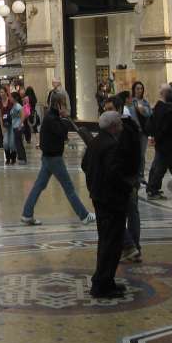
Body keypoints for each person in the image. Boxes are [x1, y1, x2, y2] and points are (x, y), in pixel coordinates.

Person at [20, 95, 93, 226]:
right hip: (54, 159)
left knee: (39, 186)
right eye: (63, 104)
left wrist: (63, 118)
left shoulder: (52, 117)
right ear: (58, 104)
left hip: (49, 158)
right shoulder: (52, 118)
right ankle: (84, 215)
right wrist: (65, 118)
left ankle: (27, 213)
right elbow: (62, 132)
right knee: (69, 188)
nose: (65, 107)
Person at [84, 111, 131, 298]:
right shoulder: (112, 145)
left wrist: (93, 183)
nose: (121, 127)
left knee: (105, 240)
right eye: (119, 124)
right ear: (113, 126)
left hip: (98, 197)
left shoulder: (95, 141)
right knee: (112, 242)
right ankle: (102, 285)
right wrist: (128, 186)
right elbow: (114, 174)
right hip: (111, 200)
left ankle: (105, 280)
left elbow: (84, 164)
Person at [118, 101, 144, 263]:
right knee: (132, 212)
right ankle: (134, 247)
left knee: (115, 214)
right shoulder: (132, 128)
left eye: (110, 109)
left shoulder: (122, 131)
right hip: (132, 177)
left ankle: (130, 246)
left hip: (124, 178)